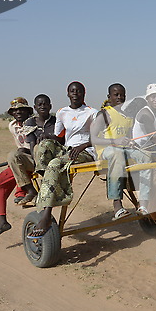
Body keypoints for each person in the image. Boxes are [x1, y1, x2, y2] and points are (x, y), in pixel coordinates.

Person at [28, 81, 98, 238]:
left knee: (55, 163)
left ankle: (46, 214)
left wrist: (82, 146)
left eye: (78, 91)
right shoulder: (62, 112)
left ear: (83, 94)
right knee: (44, 145)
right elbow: (59, 137)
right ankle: (47, 186)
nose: (75, 93)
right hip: (67, 149)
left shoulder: (92, 112)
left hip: (85, 151)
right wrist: (47, 136)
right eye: (72, 91)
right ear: (68, 94)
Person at [91, 83, 152, 219]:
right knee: (117, 154)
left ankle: (143, 203)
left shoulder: (126, 116)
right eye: (116, 95)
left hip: (124, 149)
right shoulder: (104, 114)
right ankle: (117, 205)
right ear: (109, 97)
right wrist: (115, 142)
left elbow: (128, 136)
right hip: (107, 150)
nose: (119, 97)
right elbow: (93, 139)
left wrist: (131, 142)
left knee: (146, 156)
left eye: (122, 95)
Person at [0, 97, 34, 239]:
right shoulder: (12, 126)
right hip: (20, 160)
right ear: (12, 113)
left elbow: (35, 146)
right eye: (15, 110)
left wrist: (24, 152)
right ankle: (2, 221)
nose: (18, 112)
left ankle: (23, 192)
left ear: (27, 111)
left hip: (33, 160)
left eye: (21, 109)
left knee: (16, 159)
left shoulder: (33, 123)